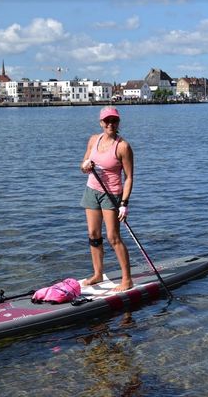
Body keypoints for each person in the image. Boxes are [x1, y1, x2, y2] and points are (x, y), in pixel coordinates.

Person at [80, 106, 134, 291]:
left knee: (113, 237)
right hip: (91, 191)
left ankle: (127, 280)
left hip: (112, 195)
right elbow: (83, 164)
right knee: (94, 235)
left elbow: (129, 178)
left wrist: (124, 204)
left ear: (118, 122)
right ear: (101, 122)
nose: (110, 124)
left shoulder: (123, 146)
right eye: (107, 121)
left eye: (114, 121)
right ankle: (97, 274)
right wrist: (86, 166)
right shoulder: (93, 140)